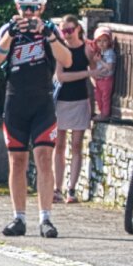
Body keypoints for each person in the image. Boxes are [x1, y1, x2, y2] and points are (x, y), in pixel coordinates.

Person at [0, 0, 70, 237]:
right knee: (17, 161)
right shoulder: (8, 29)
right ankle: (19, 217)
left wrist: (48, 35)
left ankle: (46, 218)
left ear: (42, 8)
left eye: (34, 8)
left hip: (42, 103)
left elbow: (67, 59)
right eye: (25, 7)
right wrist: (11, 35)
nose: (29, 13)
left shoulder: (50, 29)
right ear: (17, 6)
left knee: (44, 158)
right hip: (16, 103)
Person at [52, 12, 95, 202]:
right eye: (64, 31)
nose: (67, 34)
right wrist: (86, 74)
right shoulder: (60, 49)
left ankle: (72, 189)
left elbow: (96, 70)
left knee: (77, 145)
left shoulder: (87, 49)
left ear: (78, 29)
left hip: (80, 100)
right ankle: (57, 188)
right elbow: (60, 76)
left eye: (70, 30)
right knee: (59, 145)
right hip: (61, 100)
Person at [90, 24, 119, 120]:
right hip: (99, 79)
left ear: (109, 41)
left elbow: (110, 67)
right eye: (99, 41)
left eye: (104, 40)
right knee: (98, 97)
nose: (101, 43)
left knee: (105, 98)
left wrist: (100, 61)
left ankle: (105, 114)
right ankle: (101, 112)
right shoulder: (99, 52)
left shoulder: (110, 53)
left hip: (106, 79)